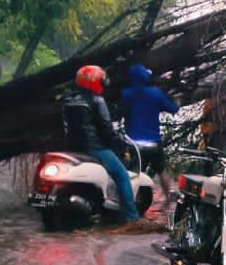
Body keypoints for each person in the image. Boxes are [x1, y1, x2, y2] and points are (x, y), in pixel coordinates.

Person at [62, 64, 141, 223]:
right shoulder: (97, 100)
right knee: (122, 176)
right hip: (93, 149)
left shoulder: (68, 100)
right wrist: (119, 142)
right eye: (101, 80)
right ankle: (132, 218)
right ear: (94, 81)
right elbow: (106, 129)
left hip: (72, 150)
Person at [120, 63, 179, 207]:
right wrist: (177, 101)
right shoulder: (155, 93)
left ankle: (128, 203)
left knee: (132, 173)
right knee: (161, 170)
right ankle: (167, 200)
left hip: (133, 144)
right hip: (153, 143)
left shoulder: (125, 94)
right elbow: (173, 109)